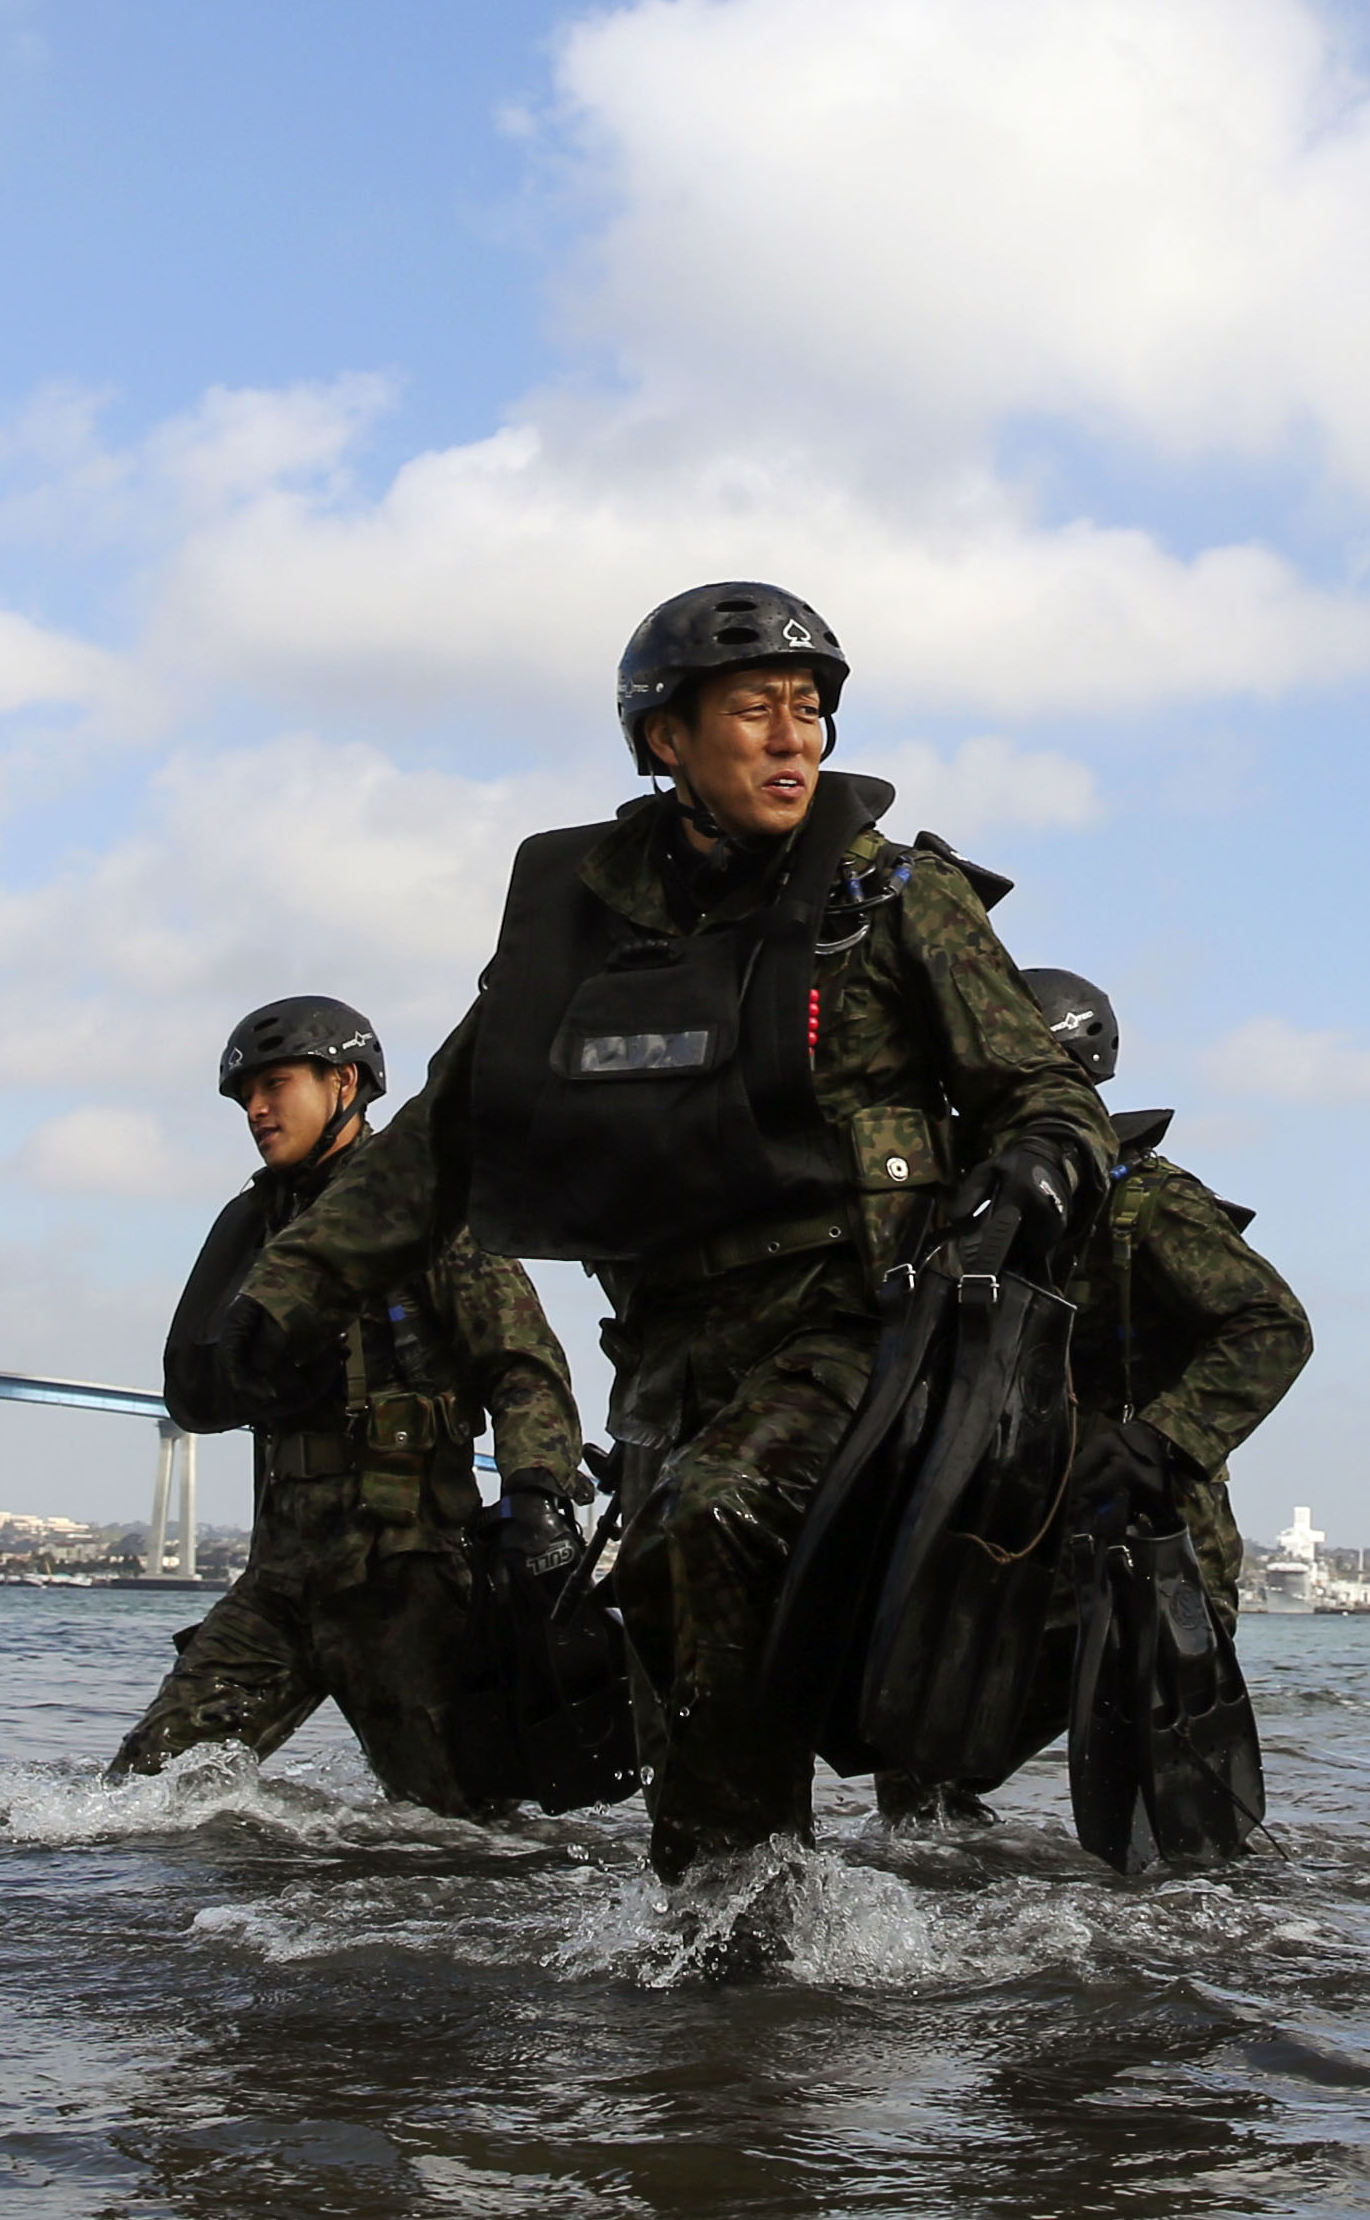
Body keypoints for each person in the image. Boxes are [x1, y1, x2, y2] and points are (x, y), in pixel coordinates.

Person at [228, 584, 1110, 1879]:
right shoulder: (576, 923)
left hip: (866, 1344)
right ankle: (738, 1950)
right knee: (675, 1651)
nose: (794, 739)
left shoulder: (897, 896)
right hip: (667, 1364)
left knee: (712, 1522)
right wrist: (283, 1295)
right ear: (665, 741)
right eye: (755, 711)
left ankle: (765, 1919)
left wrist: (1038, 1166)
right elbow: (438, 1143)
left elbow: (1041, 1094)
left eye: (810, 711)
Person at [112, 995, 591, 1815]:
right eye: (246, 1096)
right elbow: (197, 1387)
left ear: (344, 1083)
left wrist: (536, 1491)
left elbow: (523, 1366)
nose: (257, 1110)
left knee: (460, 1835)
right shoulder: (261, 1228)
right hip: (279, 1581)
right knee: (140, 1799)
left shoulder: (424, 1218)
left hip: (403, 1579)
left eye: (276, 1084)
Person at [1017, 966, 1314, 1607]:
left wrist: (1159, 1440)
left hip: (1147, 1545)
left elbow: (1273, 1327)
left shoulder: (1145, 1201)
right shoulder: (991, 1206)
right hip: (1022, 1545)